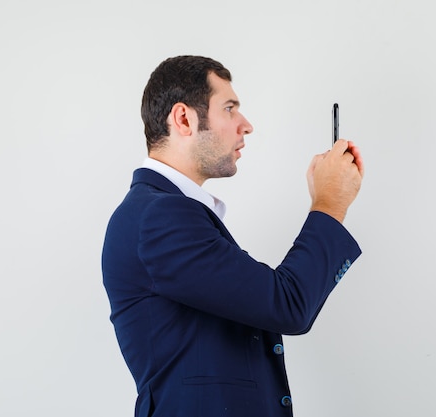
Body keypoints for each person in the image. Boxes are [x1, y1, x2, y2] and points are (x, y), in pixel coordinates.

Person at [102, 55, 364, 417]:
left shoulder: (162, 213)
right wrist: (329, 205)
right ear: (183, 119)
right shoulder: (159, 217)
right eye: (229, 108)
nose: (246, 125)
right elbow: (287, 305)